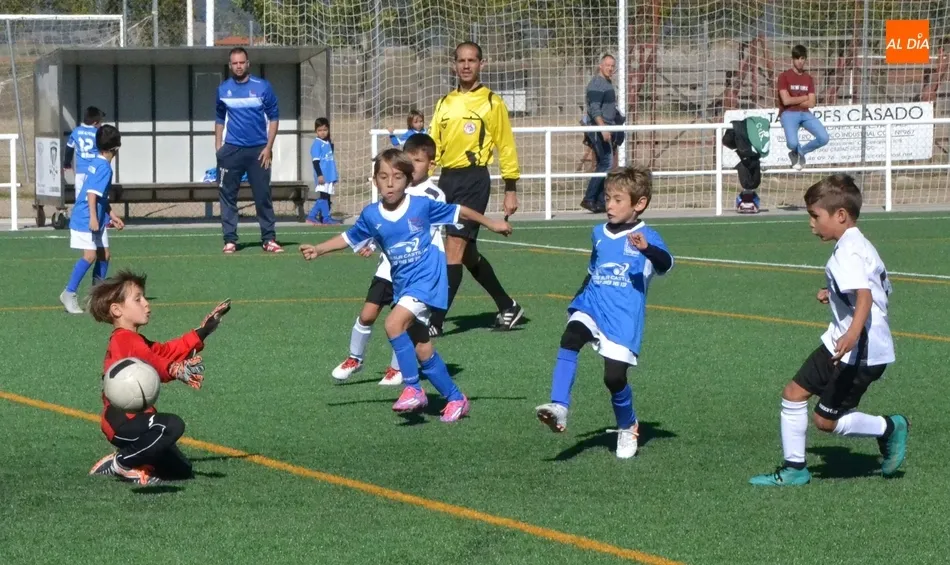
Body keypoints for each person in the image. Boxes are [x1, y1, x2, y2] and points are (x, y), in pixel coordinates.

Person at [299, 148, 512, 422]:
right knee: (423, 347)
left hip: (428, 278)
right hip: (404, 282)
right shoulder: (371, 215)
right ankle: (456, 399)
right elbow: (349, 238)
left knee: (392, 324)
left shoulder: (421, 206)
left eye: (398, 177)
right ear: (374, 180)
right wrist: (319, 249)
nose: (390, 183)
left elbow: (461, 212)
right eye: (384, 177)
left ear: (408, 180)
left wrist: (492, 223)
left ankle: (413, 388)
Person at [749, 174, 908, 486]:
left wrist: (851, 335)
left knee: (825, 421)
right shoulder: (858, 243)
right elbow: (874, 289)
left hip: (860, 350)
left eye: (814, 216)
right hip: (840, 340)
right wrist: (833, 293)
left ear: (840, 215)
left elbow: (865, 296)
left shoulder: (848, 252)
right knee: (794, 394)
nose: (810, 223)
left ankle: (890, 427)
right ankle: (794, 469)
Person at [534, 166, 673, 459]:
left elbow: (665, 264)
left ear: (640, 203)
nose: (609, 205)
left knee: (614, 378)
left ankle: (627, 425)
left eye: (618, 200)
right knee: (570, 338)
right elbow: (593, 271)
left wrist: (647, 249)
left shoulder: (647, 236)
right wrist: (575, 303)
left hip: (623, 317)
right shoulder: (598, 233)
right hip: (592, 304)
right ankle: (559, 406)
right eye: (608, 198)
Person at [87, 271, 232, 485]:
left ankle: (136, 463)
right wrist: (173, 369)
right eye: (138, 299)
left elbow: (164, 352)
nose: (146, 304)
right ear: (116, 310)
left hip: (138, 420)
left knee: (182, 470)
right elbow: (151, 361)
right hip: (122, 421)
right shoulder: (123, 340)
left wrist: (201, 332)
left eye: (144, 297)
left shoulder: (135, 339)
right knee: (171, 425)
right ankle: (120, 463)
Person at [331, 133, 446, 386]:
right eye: (410, 160)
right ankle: (355, 358)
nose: (414, 165)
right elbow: (382, 223)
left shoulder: (431, 195)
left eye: (419, 160)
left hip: (416, 269)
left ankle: (397, 368)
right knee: (368, 314)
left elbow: (416, 228)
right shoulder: (394, 189)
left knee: (401, 321)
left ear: (430, 164)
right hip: (388, 267)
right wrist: (370, 242)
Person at [427, 41, 524, 337]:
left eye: (472, 60)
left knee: (453, 251)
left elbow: (505, 145)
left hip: (474, 180)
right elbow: (432, 145)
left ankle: (435, 320)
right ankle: (508, 306)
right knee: (467, 254)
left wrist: (510, 187)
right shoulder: (444, 103)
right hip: (447, 180)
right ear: (454, 64)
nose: (466, 65)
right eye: (461, 60)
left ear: (482, 64)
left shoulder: (492, 102)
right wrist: (418, 179)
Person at [214, 47, 283, 254]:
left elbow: (274, 118)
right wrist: (218, 146)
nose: (238, 66)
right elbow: (219, 118)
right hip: (232, 151)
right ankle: (230, 240)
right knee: (228, 196)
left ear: (248, 63)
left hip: (258, 152)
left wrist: (268, 148)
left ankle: (268, 239)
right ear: (230, 65)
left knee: (262, 195)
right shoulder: (223, 89)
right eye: (234, 63)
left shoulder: (263, 87)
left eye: (241, 62)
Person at [59, 125, 125, 314]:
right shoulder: (104, 167)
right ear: (116, 149)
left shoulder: (96, 162)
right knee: (90, 255)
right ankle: (69, 293)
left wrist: (111, 215)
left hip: (96, 216)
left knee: (104, 255)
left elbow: (100, 196)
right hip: (86, 217)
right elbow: (91, 195)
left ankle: (98, 297)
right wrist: (94, 219)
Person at [581, 55, 623, 213]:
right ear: (600, 66)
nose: (610, 68)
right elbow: (594, 108)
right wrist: (603, 128)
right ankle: (590, 198)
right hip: (599, 129)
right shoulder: (597, 84)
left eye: (613, 66)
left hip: (608, 127)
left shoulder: (607, 83)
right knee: (606, 163)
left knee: (604, 163)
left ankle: (599, 200)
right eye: (607, 65)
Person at [777, 44, 829, 171]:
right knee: (792, 143)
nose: (800, 62)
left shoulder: (808, 78)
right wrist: (804, 98)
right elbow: (786, 100)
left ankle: (800, 153)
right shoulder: (784, 77)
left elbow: (812, 103)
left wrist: (794, 100)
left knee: (824, 138)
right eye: (797, 58)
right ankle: (795, 150)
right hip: (788, 113)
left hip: (805, 113)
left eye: (802, 58)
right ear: (792, 59)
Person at [305, 117, 342, 225]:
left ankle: (317, 217)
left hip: (329, 175)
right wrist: (320, 175)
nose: (322, 132)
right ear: (316, 131)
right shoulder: (317, 144)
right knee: (323, 196)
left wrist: (334, 174)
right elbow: (315, 162)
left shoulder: (328, 143)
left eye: (325, 130)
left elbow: (330, 161)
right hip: (323, 176)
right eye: (320, 130)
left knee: (325, 196)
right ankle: (321, 217)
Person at [63, 106, 105, 191]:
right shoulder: (98, 133)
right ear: (95, 122)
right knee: (94, 199)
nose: (101, 124)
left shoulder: (76, 131)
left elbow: (69, 149)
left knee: (80, 200)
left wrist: (67, 163)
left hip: (81, 172)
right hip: (95, 171)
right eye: (100, 122)